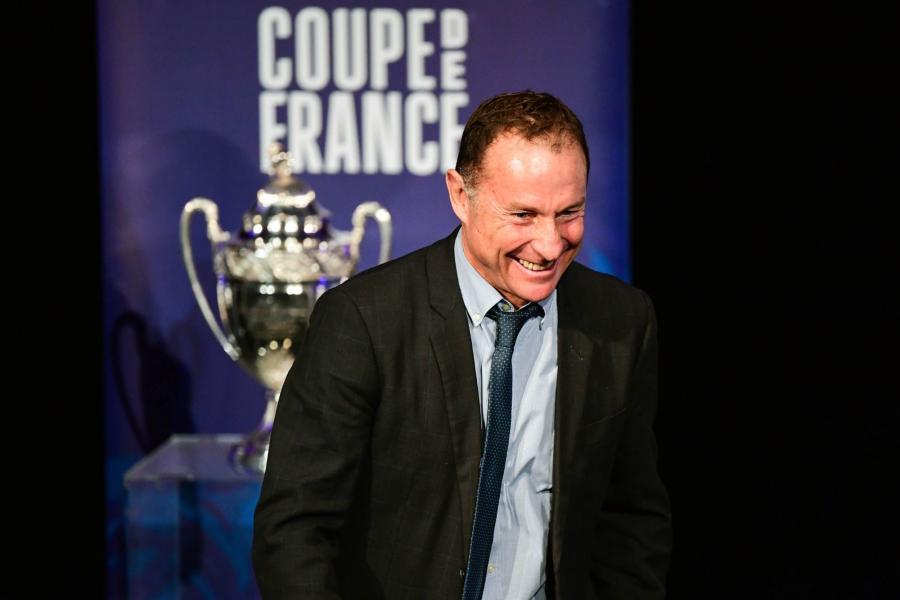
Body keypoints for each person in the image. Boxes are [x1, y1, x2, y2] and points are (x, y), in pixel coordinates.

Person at [252, 91, 672, 599]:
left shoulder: (621, 321)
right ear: (460, 195)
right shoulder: (365, 320)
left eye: (569, 212)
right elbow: (294, 530)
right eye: (523, 214)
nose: (550, 244)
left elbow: (631, 520)